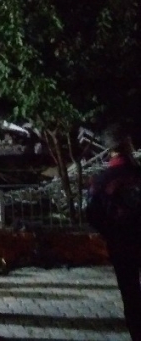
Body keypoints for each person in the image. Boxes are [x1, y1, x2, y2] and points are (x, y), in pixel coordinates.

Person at [86, 124, 141, 341]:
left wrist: (111, 232)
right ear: (128, 145)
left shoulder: (100, 181)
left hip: (120, 244)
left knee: (130, 293)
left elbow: (92, 215)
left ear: (109, 149)